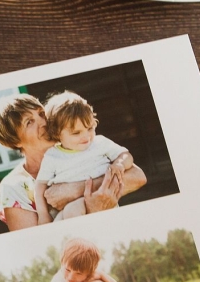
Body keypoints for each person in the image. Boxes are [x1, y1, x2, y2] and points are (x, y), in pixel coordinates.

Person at [0, 93, 147, 231]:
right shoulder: (14, 187)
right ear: (15, 141)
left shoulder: (82, 146)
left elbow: (137, 177)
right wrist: (92, 207)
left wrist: (75, 189)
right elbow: (35, 244)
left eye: (41, 114)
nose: (43, 122)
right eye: (29, 122)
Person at [34, 91, 136, 221]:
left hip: (101, 200)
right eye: (76, 133)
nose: (86, 136)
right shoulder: (53, 156)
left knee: (73, 213)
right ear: (57, 132)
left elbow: (125, 155)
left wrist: (119, 163)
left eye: (89, 128)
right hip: (65, 206)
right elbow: (40, 185)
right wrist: (43, 214)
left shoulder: (100, 143)